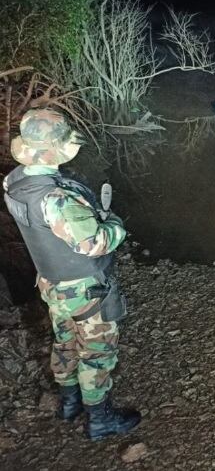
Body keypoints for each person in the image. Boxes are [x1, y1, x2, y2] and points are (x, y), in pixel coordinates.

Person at [2, 108, 141, 441]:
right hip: (84, 290)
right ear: (54, 149)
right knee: (96, 353)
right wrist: (115, 226)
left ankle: (68, 403)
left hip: (50, 283)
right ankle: (100, 419)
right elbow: (94, 242)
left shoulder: (14, 181)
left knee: (64, 342)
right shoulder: (57, 198)